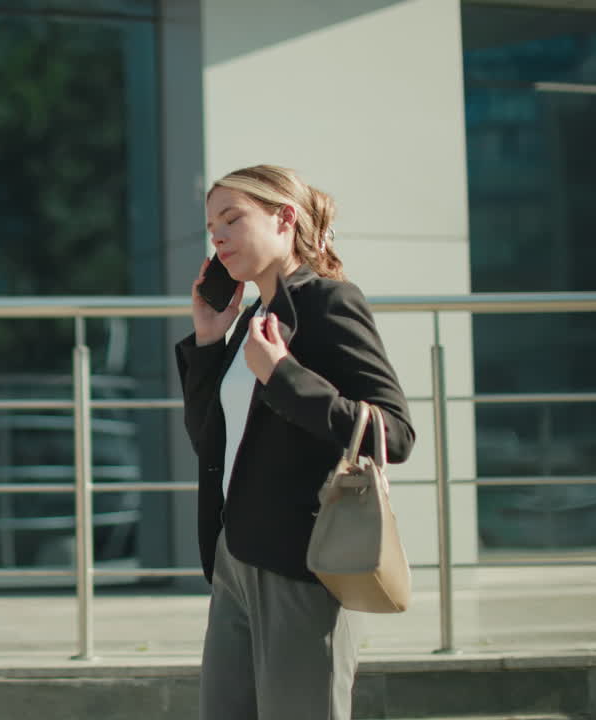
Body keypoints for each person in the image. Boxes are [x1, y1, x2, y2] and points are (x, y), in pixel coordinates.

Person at [175, 164, 415, 719]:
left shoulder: (328, 302)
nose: (219, 235)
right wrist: (211, 342)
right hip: (235, 554)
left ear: (285, 219)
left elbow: (395, 434)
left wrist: (282, 375)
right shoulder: (255, 318)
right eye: (213, 225)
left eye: (233, 218)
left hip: (301, 560)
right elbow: (212, 442)